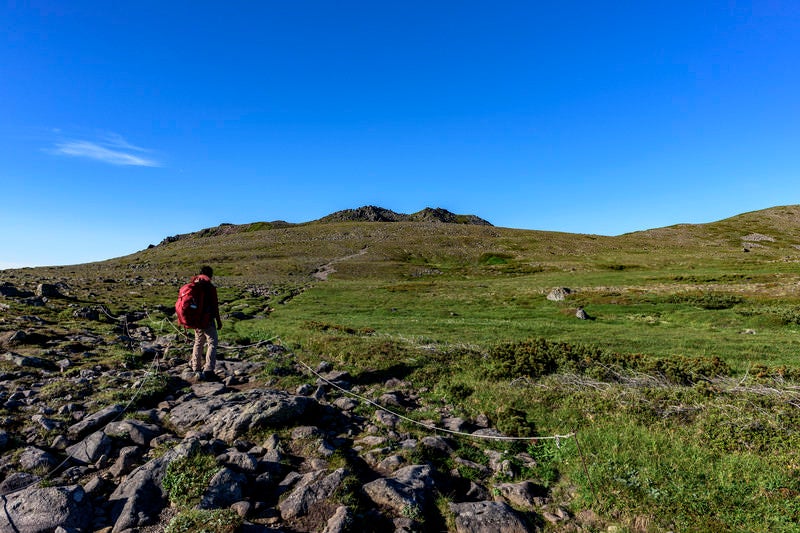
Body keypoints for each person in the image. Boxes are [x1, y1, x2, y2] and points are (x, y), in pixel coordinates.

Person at [189, 265, 222, 380]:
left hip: (196, 319)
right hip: (208, 319)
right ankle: (208, 369)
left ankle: (195, 368)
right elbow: (214, 306)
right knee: (212, 342)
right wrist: (218, 321)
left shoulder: (194, 285)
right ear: (210, 275)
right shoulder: (210, 287)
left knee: (198, 342)